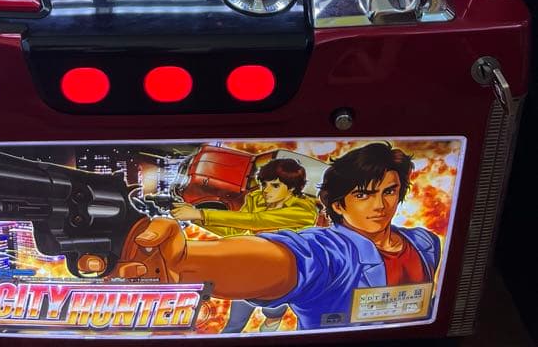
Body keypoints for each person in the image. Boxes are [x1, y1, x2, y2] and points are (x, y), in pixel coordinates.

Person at [116, 142, 441, 332]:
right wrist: (188, 261)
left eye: (389, 191)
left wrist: (201, 218)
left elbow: (256, 222)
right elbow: (291, 258)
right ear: (339, 204)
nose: (380, 205)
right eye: (364, 195)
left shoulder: (425, 243)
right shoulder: (332, 250)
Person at [172, 159, 318, 333]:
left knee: (272, 312)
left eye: (275, 186)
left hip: (283, 275)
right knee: (234, 324)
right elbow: (234, 231)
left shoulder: (304, 211)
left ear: (292, 188)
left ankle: (274, 318)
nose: (266, 190)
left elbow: (256, 221)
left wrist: (201, 213)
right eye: (264, 184)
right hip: (251, 266)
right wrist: (195, 218)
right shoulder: (256, 199)